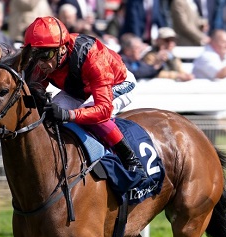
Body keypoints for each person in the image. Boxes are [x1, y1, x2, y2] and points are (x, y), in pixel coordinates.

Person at [24, 16, 146, 178]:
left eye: (45, 55)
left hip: (118, 83)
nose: (39, 63)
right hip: (79, 89)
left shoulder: (92, 56)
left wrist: (69, 115)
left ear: (62, 49)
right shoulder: (47, 59)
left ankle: (131, 160)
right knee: (49, 116)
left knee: (88, 112)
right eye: (34, 55)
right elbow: (32, 96)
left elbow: (103, 109)